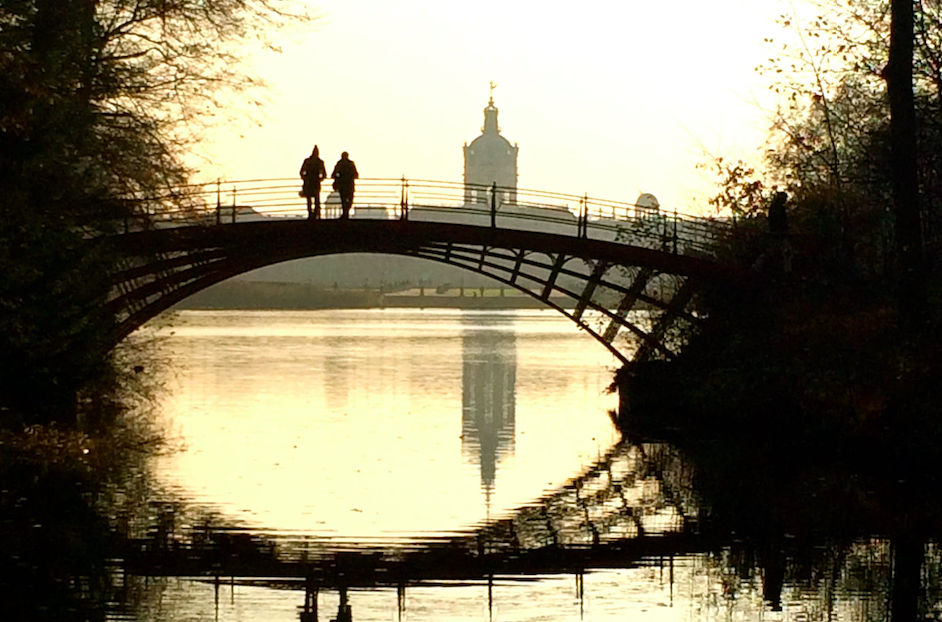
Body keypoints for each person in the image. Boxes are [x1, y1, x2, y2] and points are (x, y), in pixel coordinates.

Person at [299, 145, 326, 219]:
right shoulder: (320, 162)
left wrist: (305, 178)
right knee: (316, 200)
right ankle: (316, 214)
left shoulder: (307, 161)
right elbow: (324, 174)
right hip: (316, 183)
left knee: (309, 200)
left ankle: (310, 214)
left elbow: (301, 172)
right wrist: (320, 179)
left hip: (308, 183)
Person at [331, 151, 358, 219]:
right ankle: (346, 213)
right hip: (349, 184)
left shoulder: (339, 163)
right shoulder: (351, 164)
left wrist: (338, 177)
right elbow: (356, 174)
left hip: (342, 184)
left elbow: (333, 174)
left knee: (344, 200)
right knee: (349, 199)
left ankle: (345, 213)